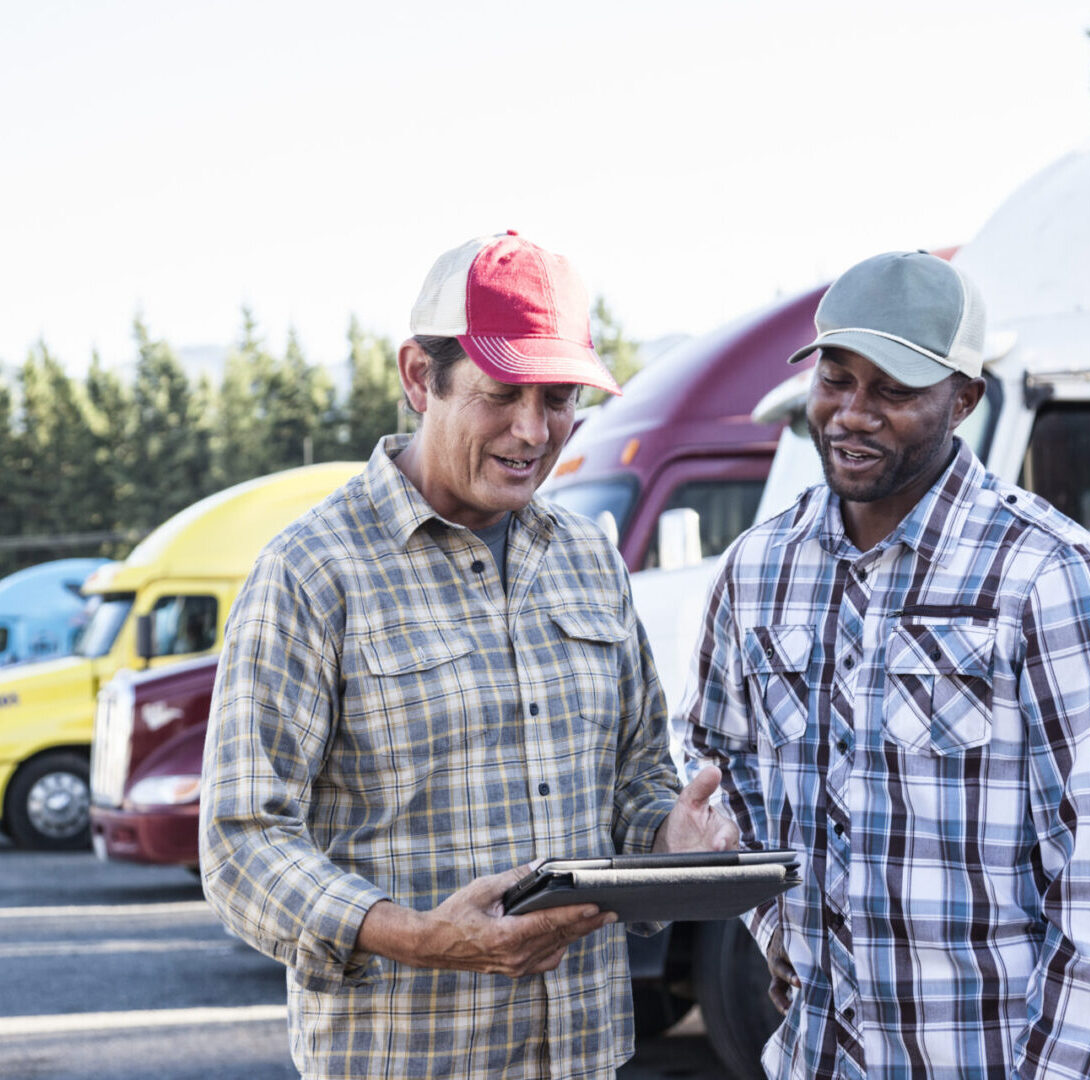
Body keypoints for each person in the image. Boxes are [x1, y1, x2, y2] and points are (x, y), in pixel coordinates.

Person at [200, 231, 737, 1079]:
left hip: (585, 1054)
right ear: (420, 376)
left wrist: (670, 837)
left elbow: (635, 776)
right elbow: (242, 843)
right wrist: (416, 937)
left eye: (557, 397)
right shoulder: (311, 572)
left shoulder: (590, 559)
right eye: (501, 394)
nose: (533, 430)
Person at [676, 251, 1090, 1079]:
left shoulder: (1050, 575)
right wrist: (776, 925)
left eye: (894, 391)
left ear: (963, 398)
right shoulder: (759, 568)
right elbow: (719, 764)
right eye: (836, 378)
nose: (851, 414)